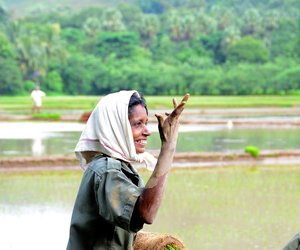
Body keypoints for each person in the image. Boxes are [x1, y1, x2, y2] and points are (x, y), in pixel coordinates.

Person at [67, 90, 189, 249]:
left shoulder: (119, 167)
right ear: (116, 127)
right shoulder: (106, 170)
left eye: (146, 123)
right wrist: (168, 146)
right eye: (138, 124)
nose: (147, 131)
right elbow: (145, 213)